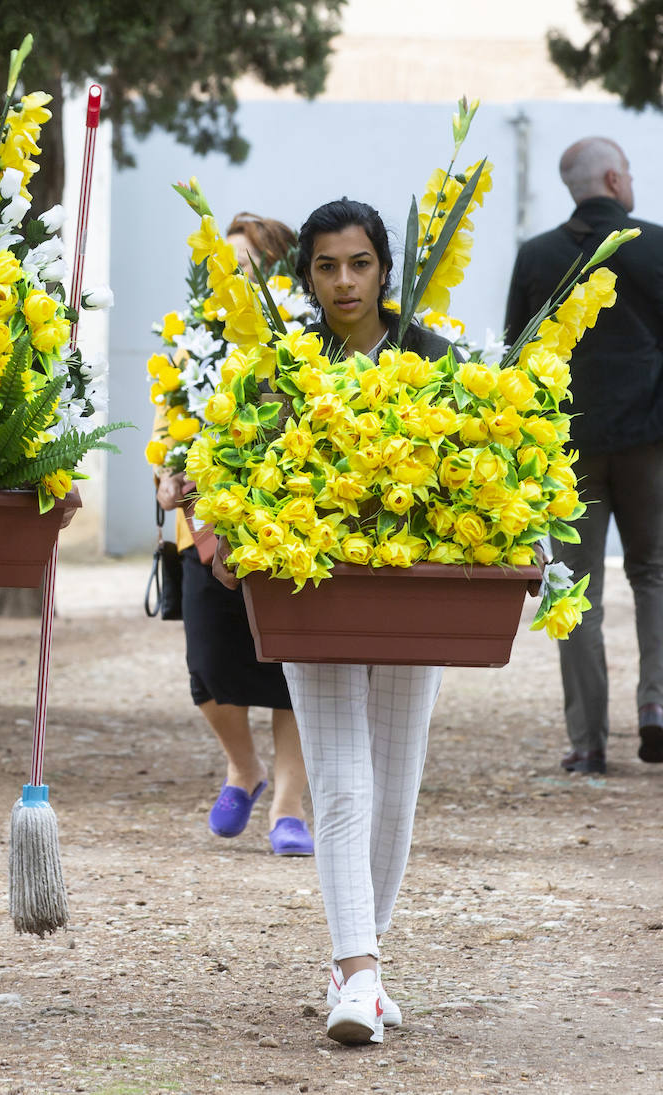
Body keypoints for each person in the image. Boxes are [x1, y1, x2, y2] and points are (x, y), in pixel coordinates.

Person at [214, 198, 456, 1045]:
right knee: (344, 785)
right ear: (306, 276)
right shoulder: (281, 363)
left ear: (385, 267)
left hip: (413, 599)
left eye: (358, 263)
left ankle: (362, 956)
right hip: (309, 592)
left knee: (395, 792)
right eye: (325, 266)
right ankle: (357, 974)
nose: (344, 281)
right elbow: (237, 460)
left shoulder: (436, 358)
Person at [504, 137, 663, 776]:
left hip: (570, 445)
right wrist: (655, 370)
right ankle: (655, 708)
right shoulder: (660, 244)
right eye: (627, 171)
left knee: (575, 589)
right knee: (654, 571)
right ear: (612, 178)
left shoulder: (537, 256)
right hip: (652, 431)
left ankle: (587, 742)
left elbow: (517, 351)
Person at [153, 213, 313, 857]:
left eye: (244, 263)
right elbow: (170, 425)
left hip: (290, 526)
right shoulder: (192, 340)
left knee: (292, 672)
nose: (231, 275)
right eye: (224, 264)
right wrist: (166, 479)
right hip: (207, 531)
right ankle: (244, 769)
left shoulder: (303, 339)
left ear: (277, 269)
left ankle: (288, 805)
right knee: (210, 672)